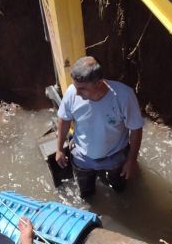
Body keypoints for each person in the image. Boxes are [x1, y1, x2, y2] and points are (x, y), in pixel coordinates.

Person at [56, 56, 144, 198]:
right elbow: (64, 120)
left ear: (99, 83)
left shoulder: (124, 96)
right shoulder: (73, 92)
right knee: (86, 195)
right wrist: (59, 149)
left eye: (82, 89)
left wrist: (131, 160)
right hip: (81, 156)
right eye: (76, 87)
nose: (77, 93)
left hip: (115, 157)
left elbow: (136, 129)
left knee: (120, 190)